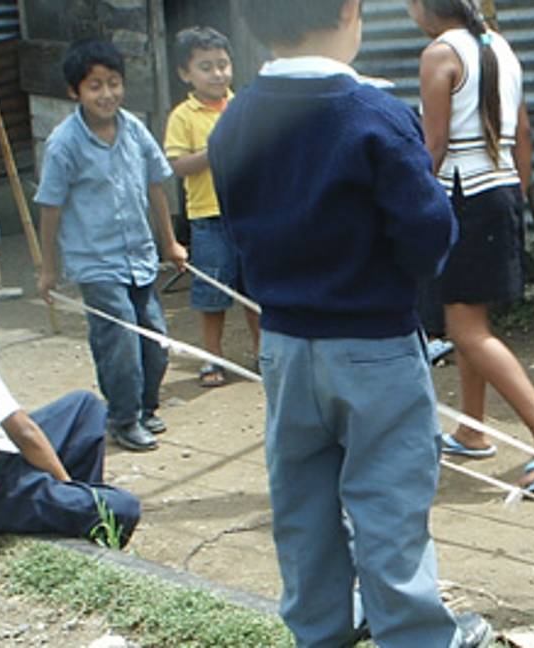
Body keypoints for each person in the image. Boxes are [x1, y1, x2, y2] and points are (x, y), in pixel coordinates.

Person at [207, 1, 491, 646]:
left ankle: (319, 632)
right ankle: (414, 637)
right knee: (388, 506)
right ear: (346, 13)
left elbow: (236, 226)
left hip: (282, 344)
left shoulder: (235, 118)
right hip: (374, 347)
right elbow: (426, 235)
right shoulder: (376, 115)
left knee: (302, 505)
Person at [406, 0, 534, 490]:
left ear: (422, 6)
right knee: (471, 317)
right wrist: (515, 195)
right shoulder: (499, 47)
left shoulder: (439, 54)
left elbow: (435, 144)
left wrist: (409, 205)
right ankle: (472, 428)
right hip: (501, 192)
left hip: (463, 195)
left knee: (464, 328)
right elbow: (523, 132)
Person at [0, 203, 141, 545]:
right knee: (121, 507)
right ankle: (80, 514)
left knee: (85, 407)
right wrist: (66, 485)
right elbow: (22, 432)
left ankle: (71, 513)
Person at [35, 38, 188, 452]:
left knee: (154, 335)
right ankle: (122, 419)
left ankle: (145, 407)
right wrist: (48, 269)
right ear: (75, 92)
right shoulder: (64, 143)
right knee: (118, 339)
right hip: (95, 261)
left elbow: (156, 184)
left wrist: (170, 243)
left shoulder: (134, 128)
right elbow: (51, 207)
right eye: (95, 86)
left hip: (139, 255)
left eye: (114, 83)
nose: (107, 94)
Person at [164, 26, 260, 388]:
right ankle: (211, 358)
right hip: (208, 218)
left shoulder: (242, 107)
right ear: (185, 74)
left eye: (223, 64)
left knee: (254, 291)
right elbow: (175, 165)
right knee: (212, 295)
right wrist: (216, 150)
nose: (217, 73)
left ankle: (261, 354)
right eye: (206, 67)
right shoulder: (183, 116)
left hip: (250, 215)